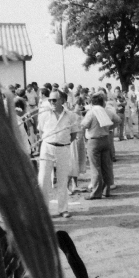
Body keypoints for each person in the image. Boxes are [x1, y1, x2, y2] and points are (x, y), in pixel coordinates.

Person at [37, 90, 79, 219]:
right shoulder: (44, 114)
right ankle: (43, 211)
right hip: (47, 147)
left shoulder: (71, 116)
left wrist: (63, 143)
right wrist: (51, 142)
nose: (51, 102)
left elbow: (73, 134)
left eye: (54, 100)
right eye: (50, 100)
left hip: (63, 149)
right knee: (43, 180)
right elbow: (40, 131)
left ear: (63, 101)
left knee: (62, 179)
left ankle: (63, 209)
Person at [81, 92, 121, 200]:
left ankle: (96, 192)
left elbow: (84, 125)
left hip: (94, 140)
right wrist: (109, 127)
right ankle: (106, 190)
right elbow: (118, 120)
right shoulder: (107, 111)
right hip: (106, 139)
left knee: (95, 168)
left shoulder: (91, 112)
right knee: (106, 166)